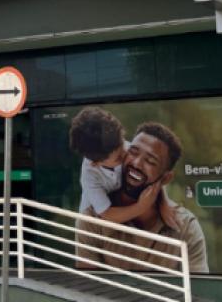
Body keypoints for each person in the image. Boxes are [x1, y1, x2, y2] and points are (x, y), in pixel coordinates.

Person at [76, 122, 208, 274]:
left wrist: (163, 201)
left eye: (150, 161)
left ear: (166, 178)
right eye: (133, 152)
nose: (136, 163)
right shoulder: (92, 219)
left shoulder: (185, 227)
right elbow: (86, 286)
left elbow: (200, 287)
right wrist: (141, 206)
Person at [69, 107, 160, 225]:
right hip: (95, 221)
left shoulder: (123, 148)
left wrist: (165, 205)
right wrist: (141, 207)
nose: (125, 153)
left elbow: (152, 175)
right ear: (96, 164)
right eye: (118, 158)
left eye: (123, 144)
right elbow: (107, 214)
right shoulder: (90, 176)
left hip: (125, 211)